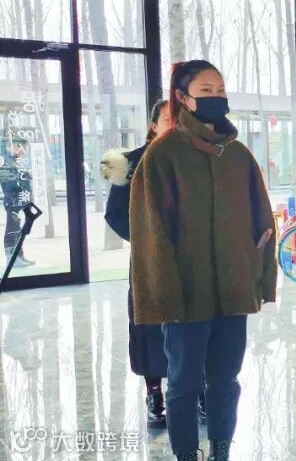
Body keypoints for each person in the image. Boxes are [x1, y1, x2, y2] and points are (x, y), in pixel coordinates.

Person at [129, 60, 277, 461]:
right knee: (183, 383)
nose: (216, 96)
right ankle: (186, 454)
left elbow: (262, 223)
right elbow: (151, 235)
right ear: (183, 97)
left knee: (226, 380)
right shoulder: (163, 155)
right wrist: (166, 297)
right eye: (205, 90)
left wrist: (258, 277)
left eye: (220, 89)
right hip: (185, 296)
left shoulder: (238, 155)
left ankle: (221, 449)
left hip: (233, 292)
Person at [102, 100, 170, 429]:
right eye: (168, 119)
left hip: (192, 260)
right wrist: (146, 238)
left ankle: (196, 387)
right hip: (148, 260)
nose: (175, 124)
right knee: (149, 325)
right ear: (154, 125)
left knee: (193, 323)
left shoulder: (198, 158)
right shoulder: (127, 163)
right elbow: (114, 214)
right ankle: (154, 393)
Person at [0, 135, 33, 267]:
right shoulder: (5, 161)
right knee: (12, 228)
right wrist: (23, 176)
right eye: (23, 149)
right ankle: (11, 258)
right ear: (14, 146)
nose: (23, 152)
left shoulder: (12, 160)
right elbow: (8, 181)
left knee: (17, 228)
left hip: (18, 199)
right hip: (13, 200)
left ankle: (19, 256)